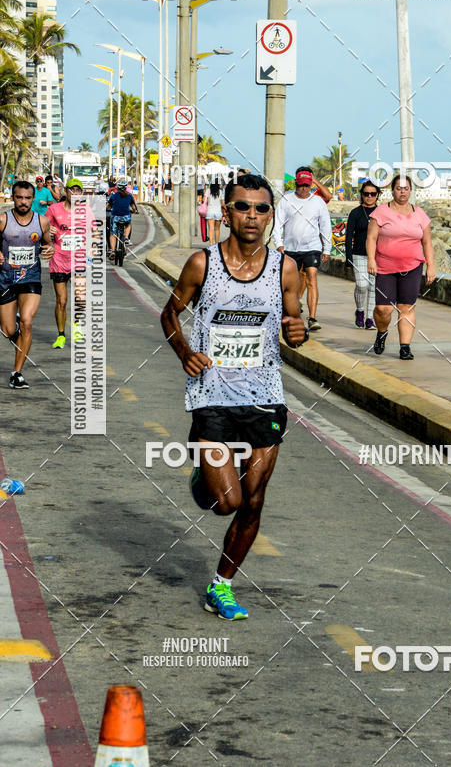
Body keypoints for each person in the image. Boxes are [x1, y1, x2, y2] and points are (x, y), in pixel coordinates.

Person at [160, 173, 307, 621]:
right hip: (212, 396)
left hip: (264, 395)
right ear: (226, 212)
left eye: (262, 208)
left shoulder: (285, 268)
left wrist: (297, 334)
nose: (252, 216)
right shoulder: (202, 265)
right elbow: (170, 312)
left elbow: (294, 322)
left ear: (271, 216)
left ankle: (221, 585)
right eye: (243, 206)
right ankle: (204, 482)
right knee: (228, 502)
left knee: (255, 499)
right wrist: (184, 350)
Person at [366, 174, 435, 359]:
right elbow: (371, 238)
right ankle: (381, 332)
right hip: (385, 267)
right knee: (384, 309)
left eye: (406, 188)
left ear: (410, 190)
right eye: (398, 188)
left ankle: (405, 347)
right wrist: (371, 260)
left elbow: (427, 242)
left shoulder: (420, 214)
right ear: (393, 190)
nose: (402, 192)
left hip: (412, 267)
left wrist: (431, 266)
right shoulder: (380, 212)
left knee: (407, 307)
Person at [0, 181, 53, 388]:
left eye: (27, 198)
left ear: (33, 199)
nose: (23, 202)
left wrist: (50, 250)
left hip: (30, 277)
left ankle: (17, 373)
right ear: (13, 197)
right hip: (5, 279)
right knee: (8, 331)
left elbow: (47, 244)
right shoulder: (3, 220)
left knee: (28, 322)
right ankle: (15, 326)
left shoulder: (42, 222)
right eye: (19, 197)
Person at [273, 168, 332, 330]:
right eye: (301, 186)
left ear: (310, 185)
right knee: (290, 282)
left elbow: (325, 226)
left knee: (311, 276)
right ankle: (290, 311)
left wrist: (327, 248)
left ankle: (312, 318)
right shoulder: (286, 200)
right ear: (296, 184)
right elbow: (277, 224)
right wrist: (279, 244)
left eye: (307, 185)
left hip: (312, 247)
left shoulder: (318, 202)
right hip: (290, 248)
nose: (304, 189)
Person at [46, 178, 99, 348]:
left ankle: (77, 326)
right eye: (72, 190)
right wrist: (48, 230)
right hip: (59, 260)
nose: (75, 193)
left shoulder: (86, 211)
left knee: (80, 298)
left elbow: (95, 233)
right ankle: (61, 335)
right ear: (66, 192)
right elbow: (41, 228)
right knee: (61, 300)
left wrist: (94, 245)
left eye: (78, 191)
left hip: (79, 260)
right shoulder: (54, 209)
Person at [345, 180, 380, 329]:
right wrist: (348, 257)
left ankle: (370, 318)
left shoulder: (381, 212)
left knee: (373, 287)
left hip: (378, 256)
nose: (369, 196)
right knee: (361, 285)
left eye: (373, 194)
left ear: (377, 195)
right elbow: (348, 236)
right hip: (359, 254)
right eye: (366, 194)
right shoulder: (355, 213)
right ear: (362, 195)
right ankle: (360, 311)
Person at [106, 177, 138, 260]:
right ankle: (126, 238)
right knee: (128, 225)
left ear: (117, 187)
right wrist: (135, 211)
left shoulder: (113, 196)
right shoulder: (129, 196)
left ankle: (112, 251)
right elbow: (133, 207)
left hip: (115, 218)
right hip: (126, 217)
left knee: (113, 234)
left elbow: (108, 206)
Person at [205, 181, 223, 245]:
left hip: (210, 211)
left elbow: (204, 200)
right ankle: (217, 243)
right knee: (217, 229)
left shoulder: (208, 191)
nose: (221, 184)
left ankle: (211, 244)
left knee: (211, 229)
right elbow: (223, 204)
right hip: (218, 212)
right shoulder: (220, 192)